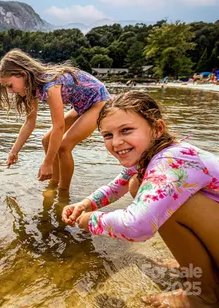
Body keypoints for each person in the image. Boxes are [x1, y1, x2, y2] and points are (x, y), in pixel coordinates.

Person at [62, 91, 219, 307]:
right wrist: (86, 204)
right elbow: (120, 185)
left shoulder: (171, 162)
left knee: (171, 202)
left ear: (157, 129)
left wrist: (88, 220)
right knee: (138, 184)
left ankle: (203, 296)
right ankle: (198, 266)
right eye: (107, 135)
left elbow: (136, 226)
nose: (116, 143)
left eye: (126, 130)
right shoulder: (155, 152)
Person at [0, 49, 111, 191]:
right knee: (46, 140)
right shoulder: (32, 89)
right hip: (81, 106)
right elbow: (30, 122)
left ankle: (63, 192)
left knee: (63, 146)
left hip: (99, 102)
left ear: (23, 74)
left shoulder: (51, 86)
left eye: (10, 86)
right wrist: (14, 151)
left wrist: (47, 162)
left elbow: (59, 127)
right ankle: (54, 182)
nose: (10, 91)